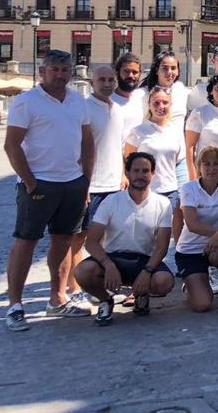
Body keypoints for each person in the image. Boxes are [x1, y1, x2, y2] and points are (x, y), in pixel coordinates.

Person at [3, 49, 94, 330]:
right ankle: (15, 305)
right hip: (39, 183)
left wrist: (85, 181)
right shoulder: (26, 102)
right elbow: (12, 145)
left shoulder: (79, 101)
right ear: (42, 72)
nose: (60, 74)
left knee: (63, 241)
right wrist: (30, 182)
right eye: (54, 69)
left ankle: (57, 299)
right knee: (26, 241)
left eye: (65, 69)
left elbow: (88, 144)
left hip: (72, 183)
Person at [74, 152, 175, 326]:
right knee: (82, 271)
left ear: (153, 174)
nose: (140, 175)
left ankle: (141, 295)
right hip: (113, 257)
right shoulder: (111, 201)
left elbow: (162, 246)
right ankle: (106, 300)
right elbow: (91, 241)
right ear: (127, 173)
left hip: (144, 260)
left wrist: (147, 271)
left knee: (164, 282)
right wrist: (108, 264)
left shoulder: (163, 203)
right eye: (136, 171)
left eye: (145, 171)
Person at [74, 65, 127, 304]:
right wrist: (83, 182)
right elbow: (78, 148)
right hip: (91, 185)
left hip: (113, 184)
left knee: (106, 238)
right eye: (102, 80)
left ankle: (99, 282)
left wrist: (123, 174)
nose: (107, 84)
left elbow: (119, 145)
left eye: (110, 80)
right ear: (92, 82)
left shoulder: (116, 109)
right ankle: (75, 288)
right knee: (79, 238)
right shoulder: (83, 108)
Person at [176, 147, 218, 314]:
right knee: (203, 305)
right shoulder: (188, 188)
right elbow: (192, 224)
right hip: (190, 251)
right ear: (199, 166)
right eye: (206, 164)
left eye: (216, 164)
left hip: (217, 247)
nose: (211, 168)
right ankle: (192, 283)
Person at [124, 87, 186, 248]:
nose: (161, 106)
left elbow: (179, 162)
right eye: (156, 102)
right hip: (145, 192)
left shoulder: (176, 131)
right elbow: (127, 160)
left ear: (170, 105)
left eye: (165, 102)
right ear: (149, 105)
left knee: (164, 236)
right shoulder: (138, 131)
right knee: (143, 235)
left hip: (169, 191)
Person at [140, 52, 191, 184]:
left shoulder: (181, 90)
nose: (170, 72)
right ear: (156, 70)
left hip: (179, 161)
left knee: (182, 201)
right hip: (153, 161)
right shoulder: (143, 94)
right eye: (165, 68)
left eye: (173, 68)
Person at [111, 52, 146, 132]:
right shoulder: (107, 102)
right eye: (126, 71)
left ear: (140, 74)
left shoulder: (142, 97)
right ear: (117, 73)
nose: (130, 75)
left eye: (135, 72)